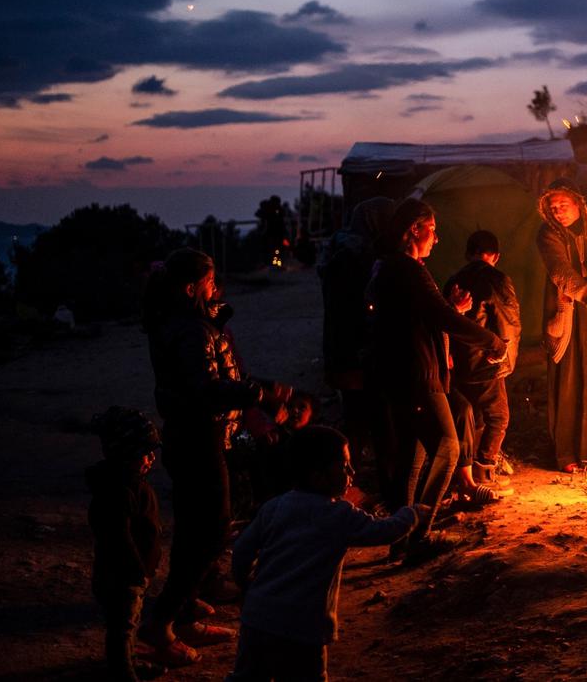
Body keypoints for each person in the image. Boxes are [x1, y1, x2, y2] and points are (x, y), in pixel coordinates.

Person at [138, 249, 292, 664]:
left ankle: (184, 613)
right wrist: (256, 394)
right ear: (191, 288)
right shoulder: (189, 330)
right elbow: (204, 389)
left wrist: (253, 384)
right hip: (198, 437)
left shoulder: (189, 323)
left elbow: (214, 375)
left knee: (192, 530)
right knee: (211, 529)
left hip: (192, 435)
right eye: (208, 282)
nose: (215, 287)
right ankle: (161, 621)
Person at [228, 425, 426, 681]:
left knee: (248, 677)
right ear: (318, 476)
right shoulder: (338, 515)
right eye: (344, 467)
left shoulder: (274, 507)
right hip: (302, 627)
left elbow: (242, 550)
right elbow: (383, 531)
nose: (352, 473)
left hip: (257, 619)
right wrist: (412, 515)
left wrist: (246, 585)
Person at [365, 199, 507, 551]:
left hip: (401, 374)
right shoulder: (407, 269)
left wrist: (449, 310)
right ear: (414, 229)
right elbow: (442, 318)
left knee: (412, 460)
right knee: (447, 446)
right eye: (432, 229)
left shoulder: (388, 267)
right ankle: (419, 533)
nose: (437, 238)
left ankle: (404, 537)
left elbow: (428, 313)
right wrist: (491, 340)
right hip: (416, 374)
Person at [536, 179, 587, 473]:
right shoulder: (548, 234)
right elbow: (560, 270)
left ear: (578, 203)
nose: (558, 211)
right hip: (568, 314)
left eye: (563, 205)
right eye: (553, 207)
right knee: (568, 382)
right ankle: (566, 454)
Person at [318, 196, 396, 481]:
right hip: (356, 352)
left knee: (358, 417)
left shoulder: (343, 250)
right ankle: (353, 482)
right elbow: (359, 308)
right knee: (372, 418)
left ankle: (349, 480)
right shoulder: (356, 257)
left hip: (344, 350)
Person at [86, 406, 166, 681]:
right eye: (144, 452)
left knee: (127, 626)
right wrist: (136, 571)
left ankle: (129, 663)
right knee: (122, 628)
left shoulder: (132, 484)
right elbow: (117, 535)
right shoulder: (119, 491)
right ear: (125, 455)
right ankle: (123, 672)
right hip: (122, 575)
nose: (151, 458)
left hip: (130, 573)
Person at [443, 230, 522, 486]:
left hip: (460, 362)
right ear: (495, 256)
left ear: (469, 253)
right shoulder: (498, 281)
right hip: (488, 361)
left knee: (473, 416)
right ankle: (485, 469)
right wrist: (502, 353)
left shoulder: (454, 280)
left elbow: (446, 320)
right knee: (498, 417)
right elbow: (507, 321)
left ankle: (467, 468)